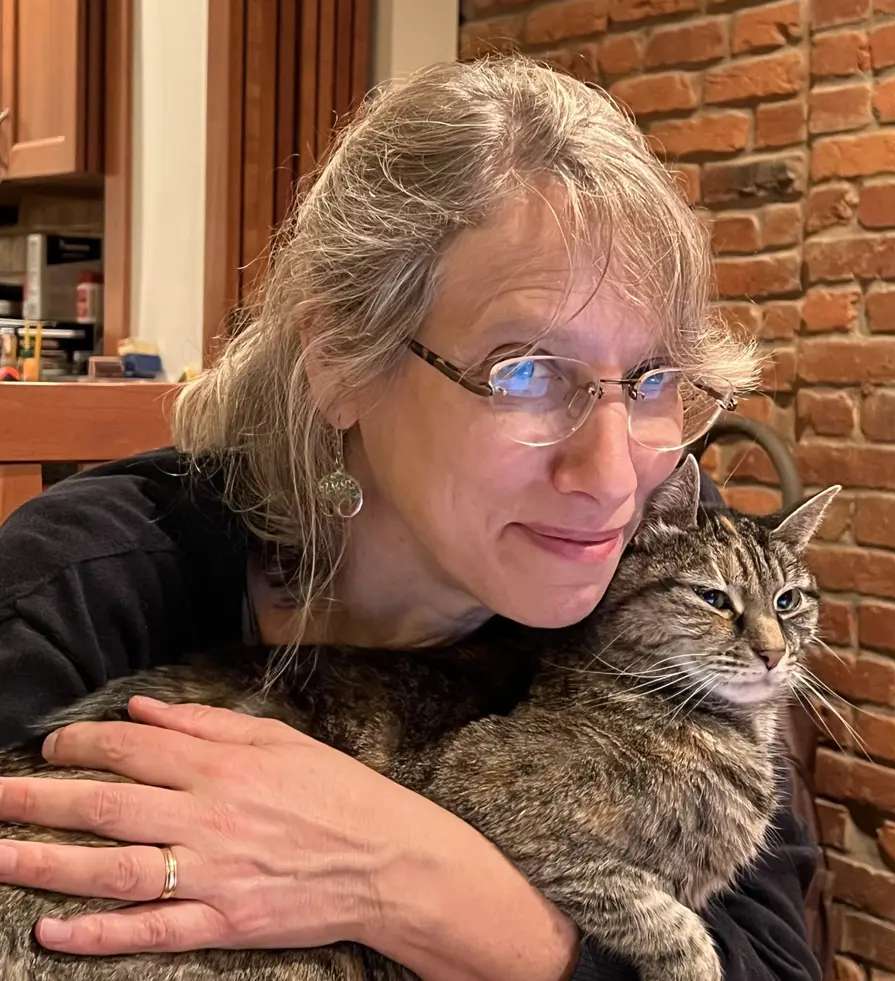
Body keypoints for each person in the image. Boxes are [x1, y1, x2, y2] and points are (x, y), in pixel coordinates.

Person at [0, 56, 821, 981]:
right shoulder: (83, 586)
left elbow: (772, 962)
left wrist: (413, 882)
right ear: (344, 362)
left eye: (653, 378)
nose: (609, 475)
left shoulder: (659, 551)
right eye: (527, 371)